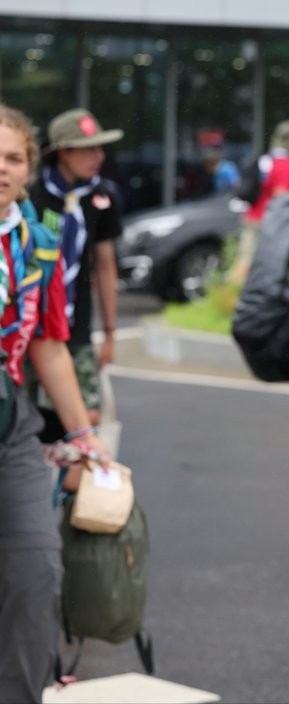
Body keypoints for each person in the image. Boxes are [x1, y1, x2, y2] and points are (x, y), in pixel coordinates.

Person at [0, 104, 110, 704]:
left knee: (37, 566)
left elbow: (49, 348)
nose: (1, 168)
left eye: (13, 157)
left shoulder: (35, 242)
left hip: (9, 421)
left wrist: (84, 438)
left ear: (28, 168)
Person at [27, 108, 124, 438]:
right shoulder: (32, 195)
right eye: (89, 148)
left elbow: (106, 265)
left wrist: (109, 333)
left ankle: (72, 490)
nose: (99, 156)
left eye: (101, 148)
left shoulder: (102, 196)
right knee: (23, 419)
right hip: (28, 326)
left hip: (75, 326)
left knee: (87, 418)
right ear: (63, 151)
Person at [230, 119, 289, 283]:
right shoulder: (285, 165)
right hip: (268, 222)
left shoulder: (267, 159)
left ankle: (231, 295)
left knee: (245, 260)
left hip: (252, 216)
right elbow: (282, 199)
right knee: (256, 265)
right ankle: (233, 296)